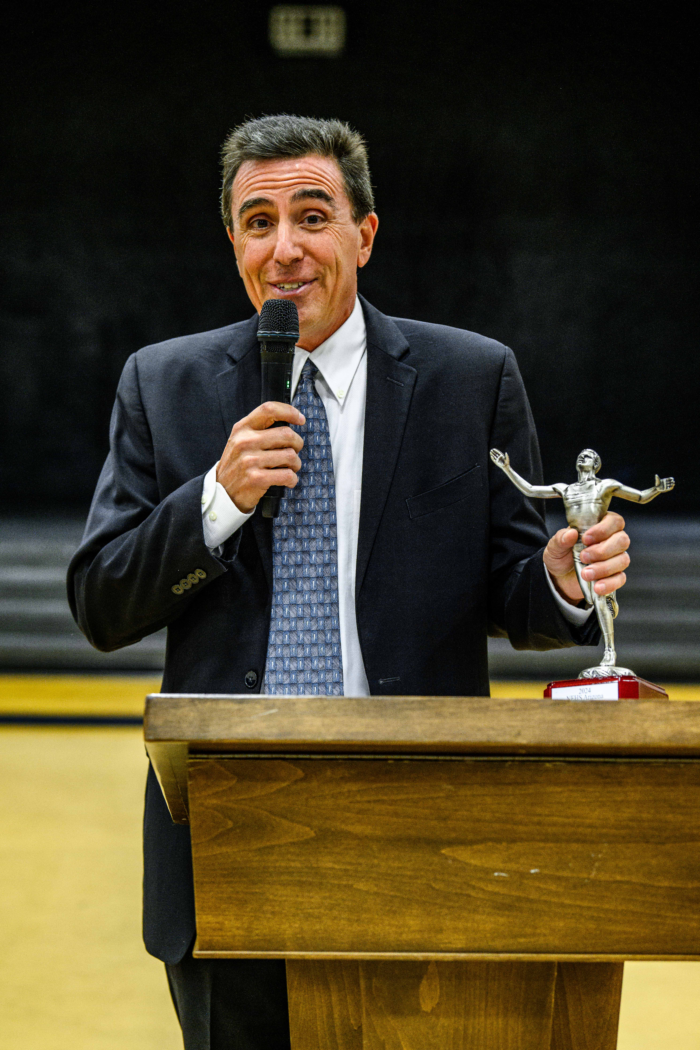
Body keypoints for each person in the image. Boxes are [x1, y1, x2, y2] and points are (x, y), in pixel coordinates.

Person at [67, 115, 632, 1049]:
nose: (285, 247)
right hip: (230, 831)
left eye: (312, 215)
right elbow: (100, 602)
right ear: (235, 244)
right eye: (257, 221)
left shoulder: (470, 377)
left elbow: (514, 589)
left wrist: (561, 579)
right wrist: (215, 499)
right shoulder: (161, 384)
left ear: (364, 235)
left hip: (419, 820)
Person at [490, 446, 673, 676]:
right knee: (589, 598)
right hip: (576, 548)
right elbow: (531, 489)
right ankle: (608, 600)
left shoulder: (604, 486)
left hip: (596, 544)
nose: (583, 456)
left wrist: (656, 489)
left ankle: (609, 651)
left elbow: (639, 496)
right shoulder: (566, 489)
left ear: (596, 464)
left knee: (597, 597)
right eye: (581, 455)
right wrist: (506, 468)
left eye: (589, 455)